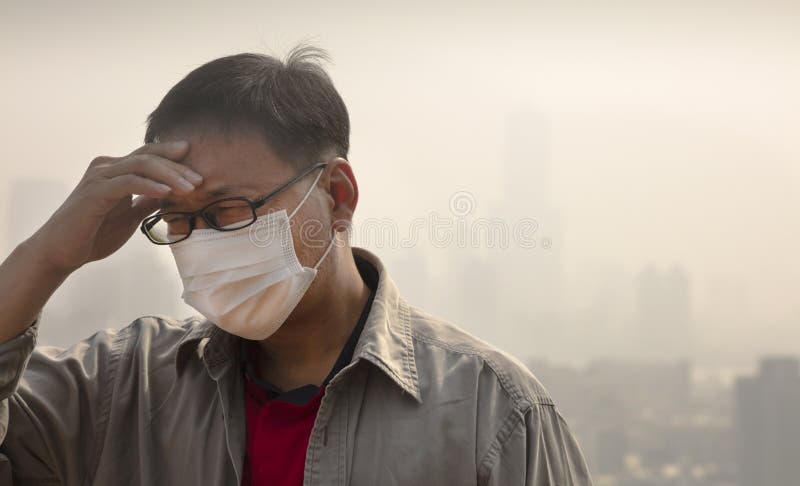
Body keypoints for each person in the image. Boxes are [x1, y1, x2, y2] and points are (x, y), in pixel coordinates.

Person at [0, 45, 593, 485]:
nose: (202, 242)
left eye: (230, 211)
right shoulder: (120, 389)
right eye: (177, 222)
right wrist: (45, 257)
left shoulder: (490, 412)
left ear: (337, 196)